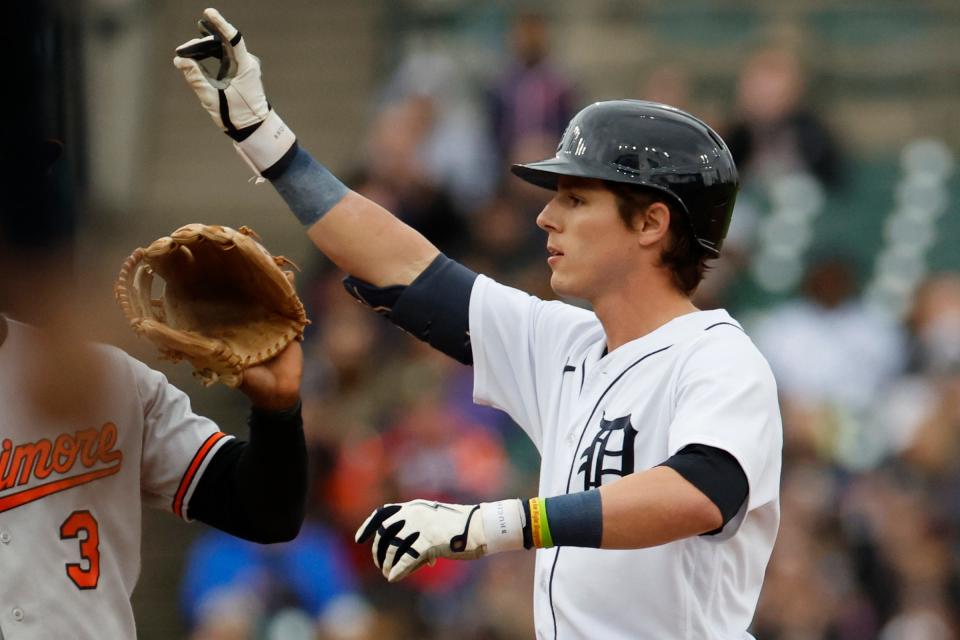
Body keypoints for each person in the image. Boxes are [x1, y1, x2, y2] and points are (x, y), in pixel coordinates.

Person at [175, 9, 782, 639]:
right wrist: (263, 136)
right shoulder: (565, 343)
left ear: (652, 223)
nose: (546, 217)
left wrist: (491, 524)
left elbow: (700, 492)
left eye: (575, 199)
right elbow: (403, 266)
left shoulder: (717, 357)